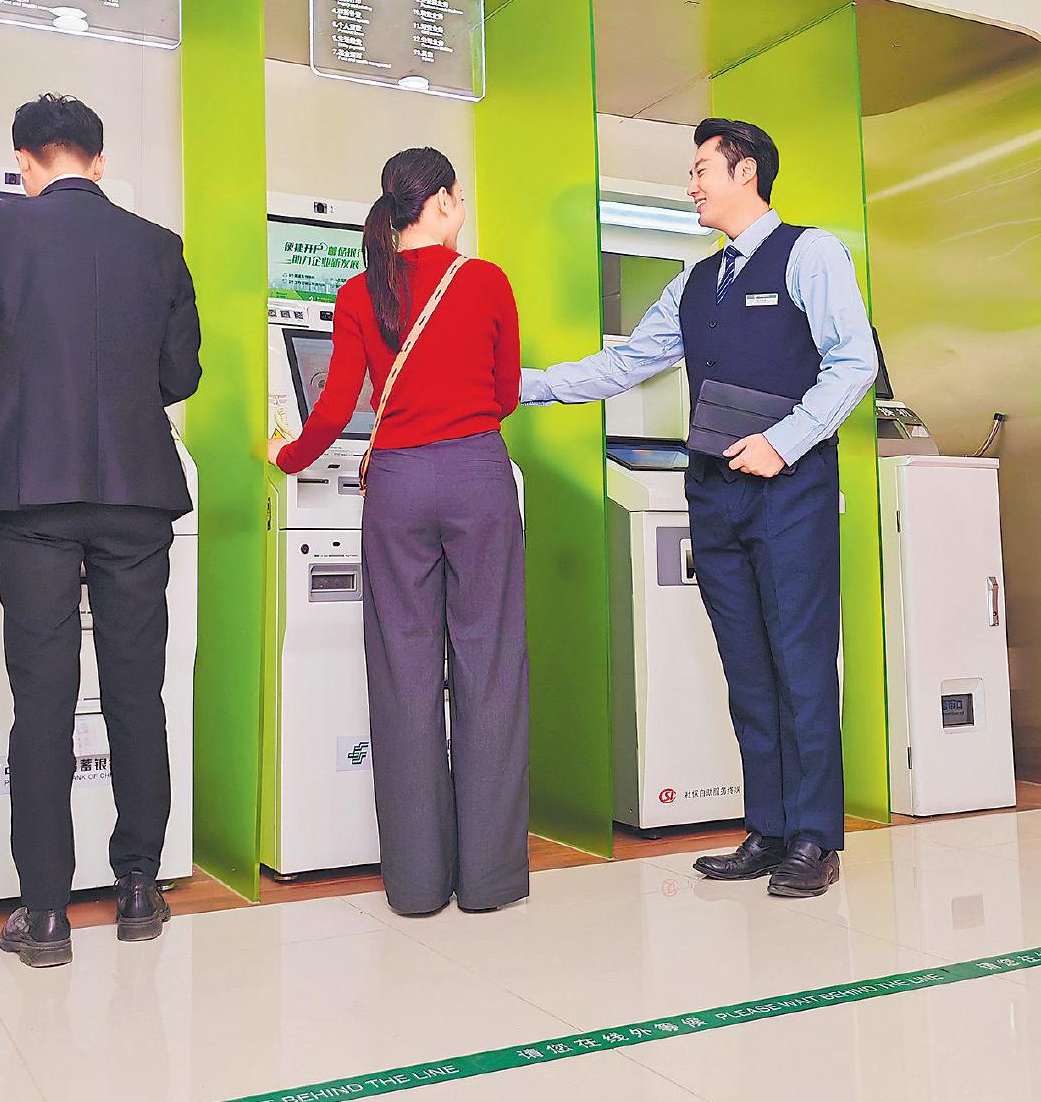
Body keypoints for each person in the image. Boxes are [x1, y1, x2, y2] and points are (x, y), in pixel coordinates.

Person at [0, 94, 201, 966]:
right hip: (136, 498)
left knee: (44, 702)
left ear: (24, 162)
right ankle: (139, 890)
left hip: (33, 500)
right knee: (137, 693)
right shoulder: (159, 246)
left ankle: (47, 914)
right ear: (99, 160)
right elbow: (180, 375)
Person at [521, 118, 877, 898]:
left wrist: (785, 440)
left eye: (700, 170)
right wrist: (520, 385)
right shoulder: (695, 281)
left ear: (746, 172)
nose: (691, 186)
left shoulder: (810, 254)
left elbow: (855, 360)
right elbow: (626, 363)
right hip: (714, 493)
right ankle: (769, 830)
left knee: (801, 665)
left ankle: (815, 838)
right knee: (746, 668)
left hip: (789, 489)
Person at [268, 147, 528, 917]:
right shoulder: (486, 281)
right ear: (442, 201)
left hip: (397, 486)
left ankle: (415, 887)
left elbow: (334, 408)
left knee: (403, 675)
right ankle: (487, 882)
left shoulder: (360, 292)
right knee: (490, 667)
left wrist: (286, 457)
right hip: (478, 477)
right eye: (459, 198)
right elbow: (506, 394)